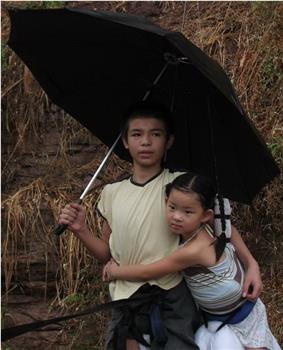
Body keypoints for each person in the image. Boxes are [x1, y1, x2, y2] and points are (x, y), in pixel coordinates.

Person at [59, 103, 263, 350]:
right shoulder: (111, 193)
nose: (146, 142)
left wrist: (251, 264)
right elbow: (107, 254)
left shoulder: (178, 184)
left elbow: (220, 224)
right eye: (136, 134)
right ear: (124, 141)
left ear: (169, 141)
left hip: (171, 297)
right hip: (125, 297)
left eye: (156, 134)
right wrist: (81, 229)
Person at [103, 172, 280, 350]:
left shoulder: (194, 249)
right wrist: (251, 264)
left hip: (243, 315)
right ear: (165, 202)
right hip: (218, 317)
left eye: (187, 212)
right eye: (172, 207)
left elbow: (148, 271)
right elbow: (229, 229)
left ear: (205, 215)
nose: (177, 216)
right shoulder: (206, 226)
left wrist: (115, 272)